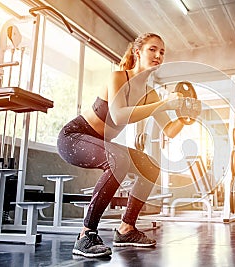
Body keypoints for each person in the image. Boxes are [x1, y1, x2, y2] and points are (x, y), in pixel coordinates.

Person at [57, 32, 201, 258]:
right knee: (119, 159)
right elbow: (119, 115)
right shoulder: (118, 78)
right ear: (138, 52)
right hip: (73, 137)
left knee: (150, 166)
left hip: (101, 142)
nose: (158, 55)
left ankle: (126, 229)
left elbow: (169, 131)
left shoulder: (149, 94)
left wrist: (186, 117)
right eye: (152, 49)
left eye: (162, 52)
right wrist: (163, 104)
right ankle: (86, 234)